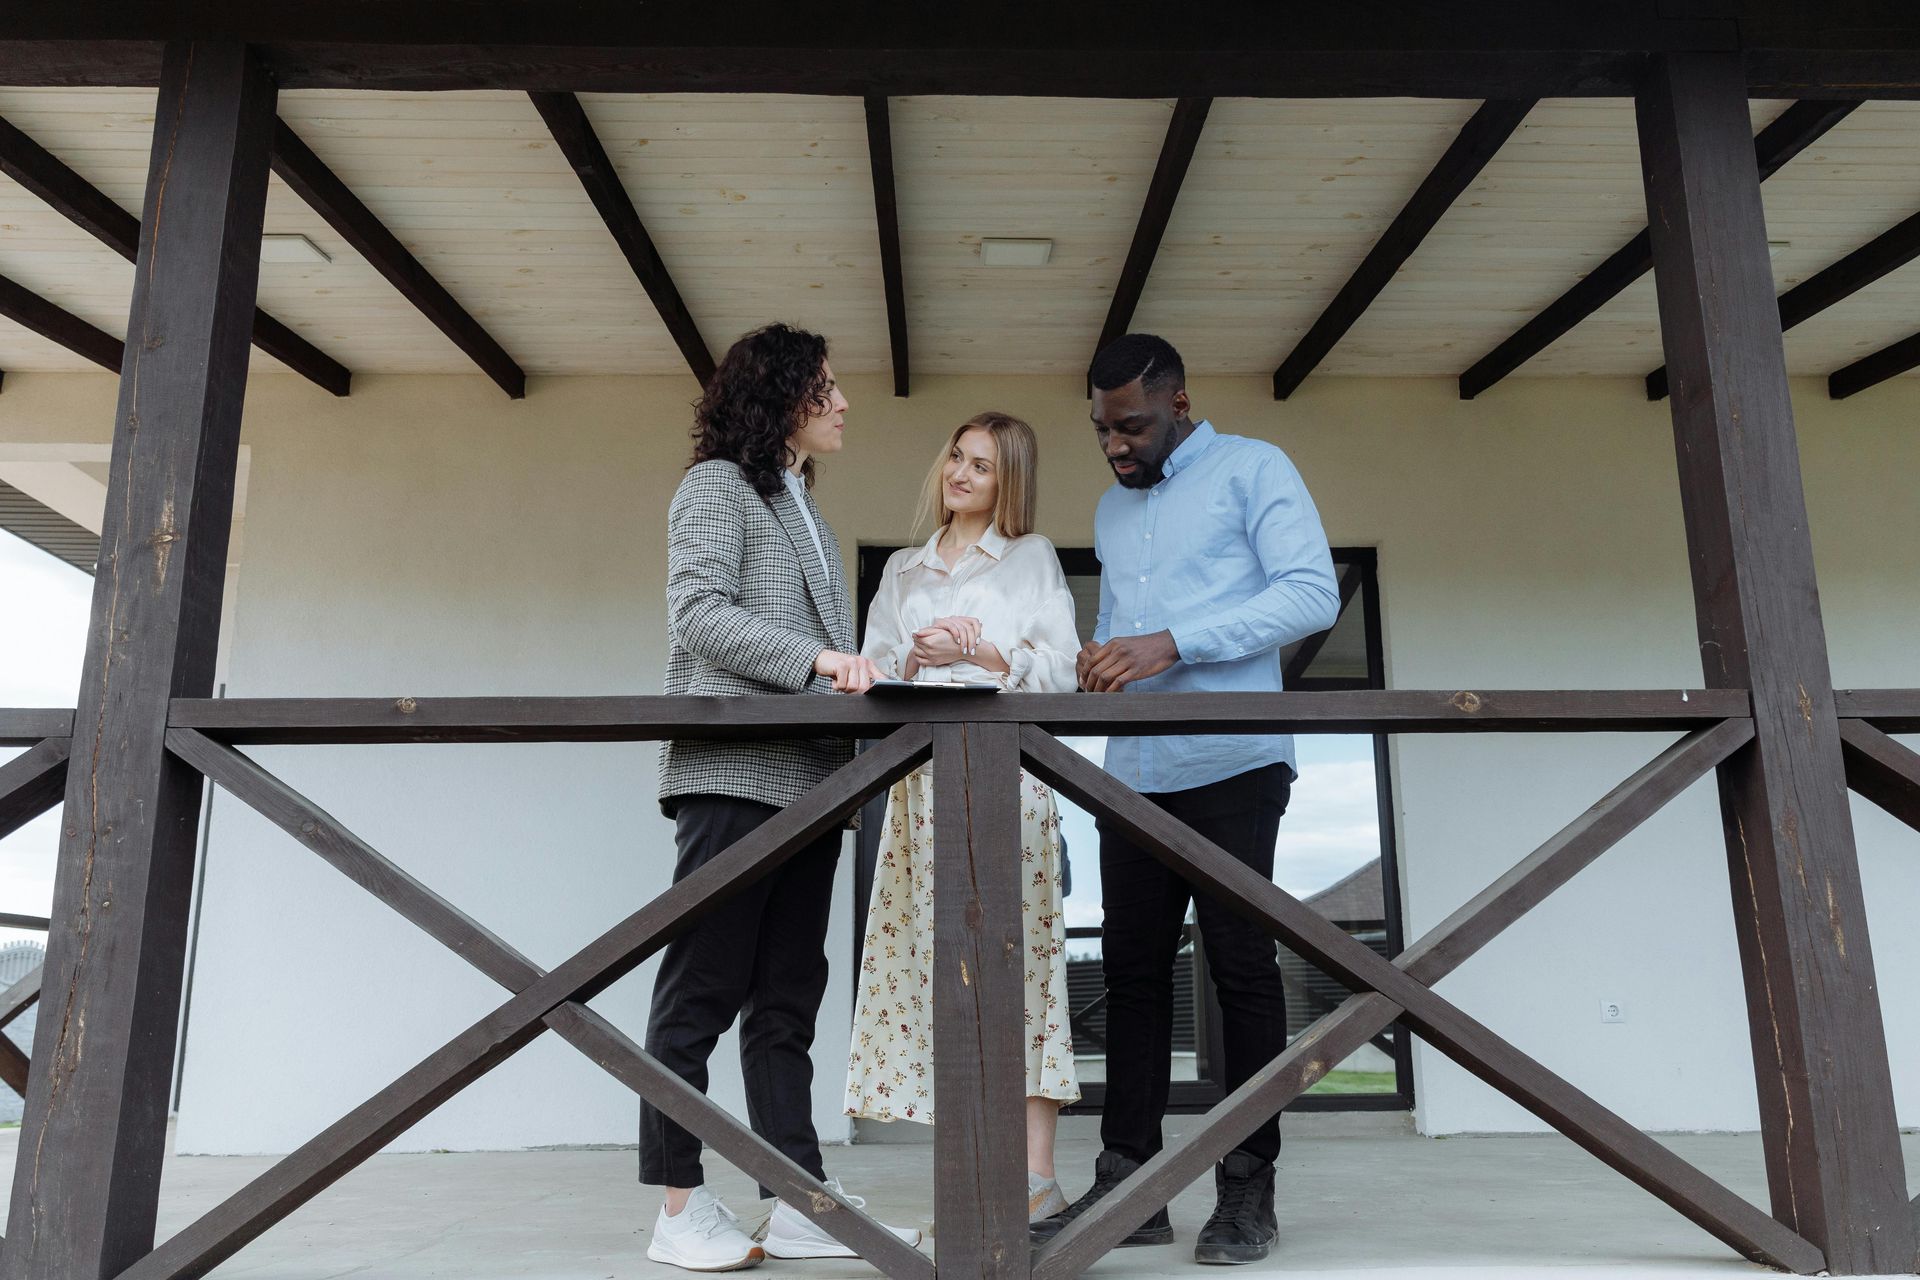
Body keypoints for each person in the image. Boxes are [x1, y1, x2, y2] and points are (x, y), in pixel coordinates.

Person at [1030, 334, 1339, 1266]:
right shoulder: (1110, 513)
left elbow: (1312, 594)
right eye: (1101, 429)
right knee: (1129, 981)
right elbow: (1124, 628)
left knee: (1242, 974)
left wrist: (1174, 643)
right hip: (1134, 775)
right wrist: (1102, 655)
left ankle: (1247, 1193)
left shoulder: (1255, 470)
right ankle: (1132, 1188)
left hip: (1237, 763)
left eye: (1132, 425)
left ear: (1179, 402)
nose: (1116, 444)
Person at [642, 322, 922, 1272]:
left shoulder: (803, 503)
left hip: (811, 786)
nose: (844, 402)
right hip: (732, 778)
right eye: (827, 387)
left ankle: (797, 1201)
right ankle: (678, 1209)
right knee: (702, 988)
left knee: (789, 1000)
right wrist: (817, 657)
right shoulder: (716, 486)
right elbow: (700, 613)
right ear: (779, 397)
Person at [844, 412, 1082, 1222]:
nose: (962, 473)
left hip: (1009, 779)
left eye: (981, 465)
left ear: (1006, 479)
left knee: (1023, 966)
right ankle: (970, 1169)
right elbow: (869, 673)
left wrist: (982, 653)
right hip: (920, 788)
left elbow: (1063, 675)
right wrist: (916, 656)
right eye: (956, 456)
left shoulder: (1032, 557)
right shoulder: (904, 570)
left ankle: (1038, 1179)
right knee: (930, 968)